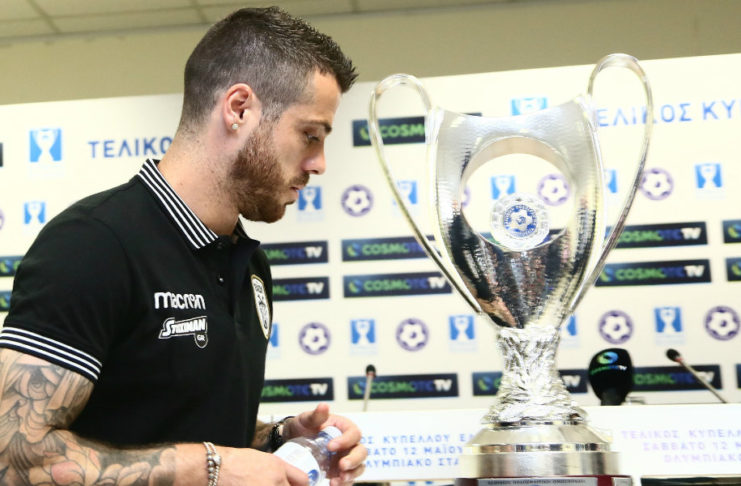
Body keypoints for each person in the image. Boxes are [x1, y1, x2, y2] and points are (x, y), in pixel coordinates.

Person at [0, 7, 365, 486]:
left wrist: (282, 439)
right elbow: (14, 457)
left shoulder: (250, 263)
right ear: (239, 109)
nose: (318, 163)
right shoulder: (94, 244)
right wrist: (212, 468)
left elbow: (188, 428)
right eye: (310, 136)